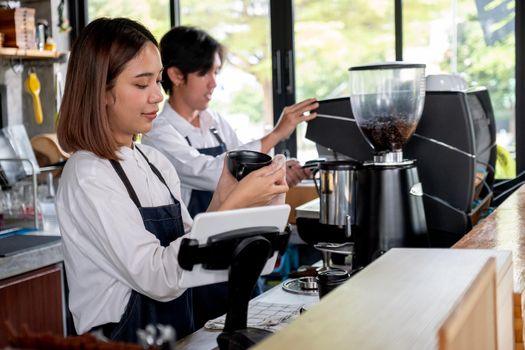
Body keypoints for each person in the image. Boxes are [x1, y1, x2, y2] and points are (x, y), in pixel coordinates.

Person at [55, 17, 288, 343]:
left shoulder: (153, 162)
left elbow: (192, 256)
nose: (157, 96)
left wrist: (224, 198)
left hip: (175, 336)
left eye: (158, 81)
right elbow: (158, 278)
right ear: (101, 92)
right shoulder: (88, 174)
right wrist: (234, 204)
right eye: (141, 84)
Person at [142, 25, 318, 219]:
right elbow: (212, 174)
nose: (213, 82)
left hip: (230, 230)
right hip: (192, 240)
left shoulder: (216, 122)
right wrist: (276, 134)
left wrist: (280, 172)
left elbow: (246, 174)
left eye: (216, 72)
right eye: (204, 73)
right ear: (176, 75)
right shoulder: (157, 132)